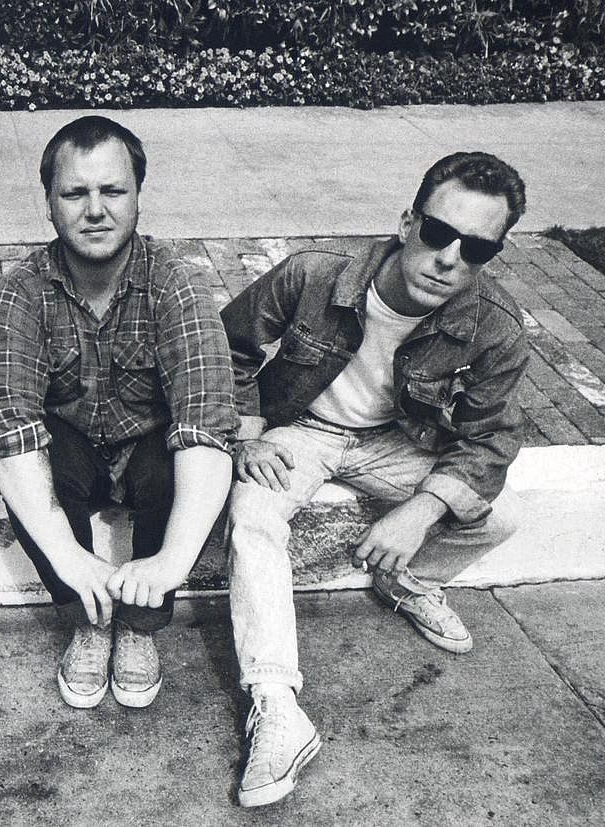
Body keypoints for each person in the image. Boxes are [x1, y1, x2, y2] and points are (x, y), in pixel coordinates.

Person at [220, 152, 529, 806]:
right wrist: (245, 433)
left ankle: (404, 577)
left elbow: (492, 438)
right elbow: (227, 350)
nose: (449, 259)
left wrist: (421, 509)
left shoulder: (494, 326)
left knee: (499, 514)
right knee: (252, 517)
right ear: (407, 222)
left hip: (397, 441)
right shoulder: (314, 275)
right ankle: (277, 705)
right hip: (301, 427)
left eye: (475, 248)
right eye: (439, 233)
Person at [0, 116, 239, 710]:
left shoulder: (176, 284)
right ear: (50, 204)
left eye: (112, 191)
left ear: (138, 195)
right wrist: (69, 557)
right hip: (71, 446)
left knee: (174, 465)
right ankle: (88, 622)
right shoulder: (22, 291)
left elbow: (206, 423)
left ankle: (142, 627)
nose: (95, 210)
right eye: (75, 193)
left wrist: (170, 564)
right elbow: (12, 433)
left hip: (146, 443)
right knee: (35, 468)